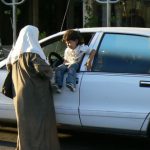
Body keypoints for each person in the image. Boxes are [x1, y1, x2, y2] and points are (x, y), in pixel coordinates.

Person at [6, 25, 60, 150]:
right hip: (35, 93)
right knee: (39, 123)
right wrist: (50, 69)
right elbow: (43, 70)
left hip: (19, 93)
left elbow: (9, 68)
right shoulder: (33, 52)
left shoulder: (14, 55)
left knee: (24, 124)